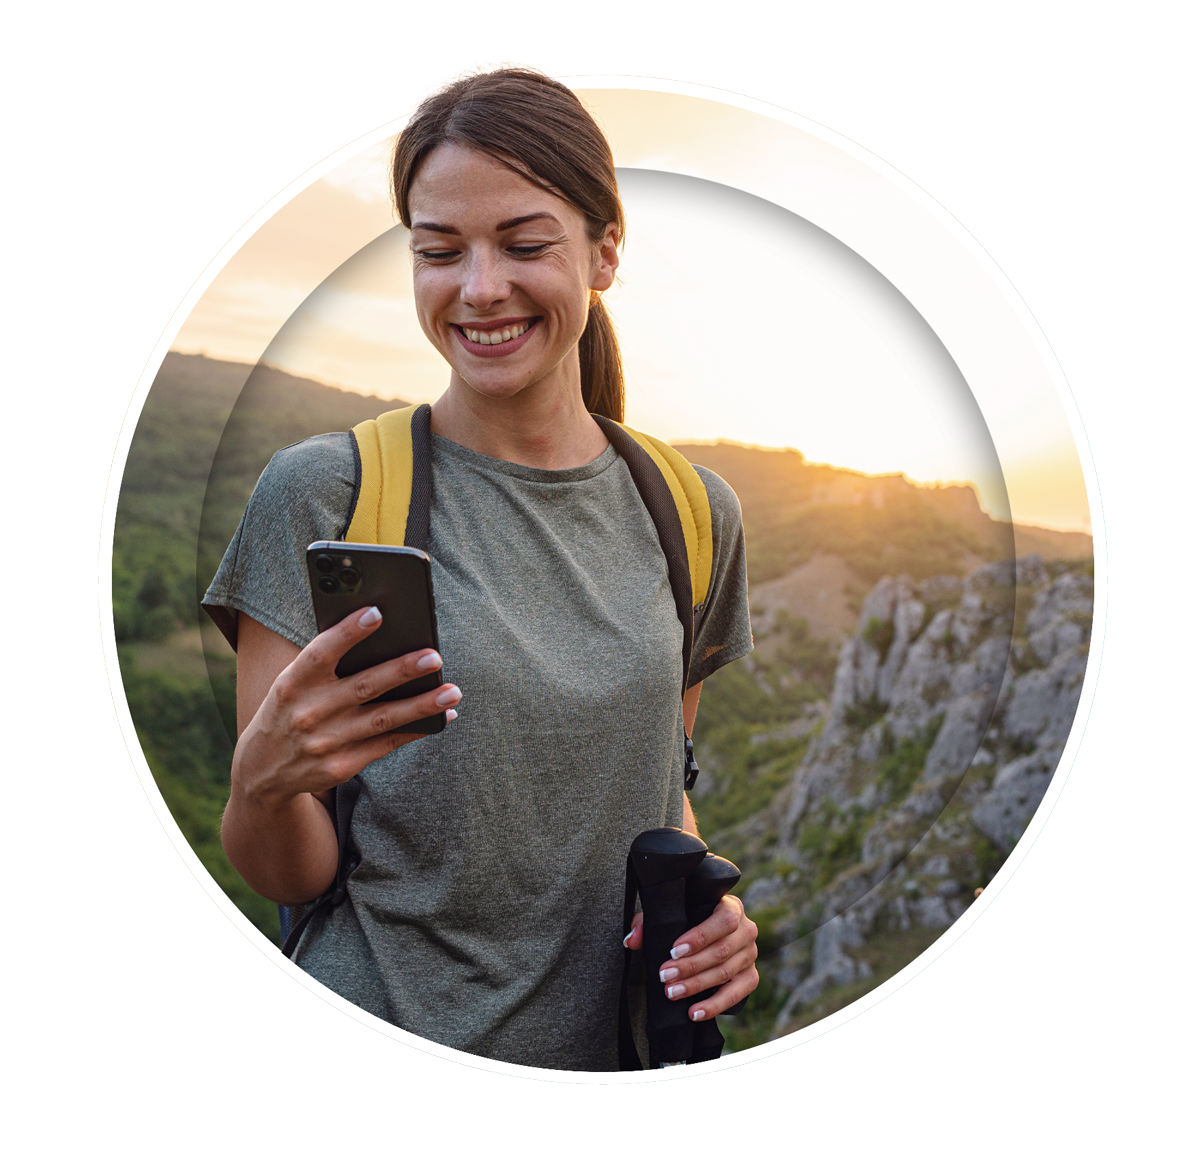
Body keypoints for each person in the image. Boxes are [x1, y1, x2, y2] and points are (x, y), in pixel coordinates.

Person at [203, 61, 759, 1072]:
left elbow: (653, 784)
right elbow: (290, 864)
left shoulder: (690, 515)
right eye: (440, 250)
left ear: (604, 252)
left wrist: (710, 911)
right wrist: (258, 789)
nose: (480, 287)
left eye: (524, 243)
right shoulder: (323, 495)